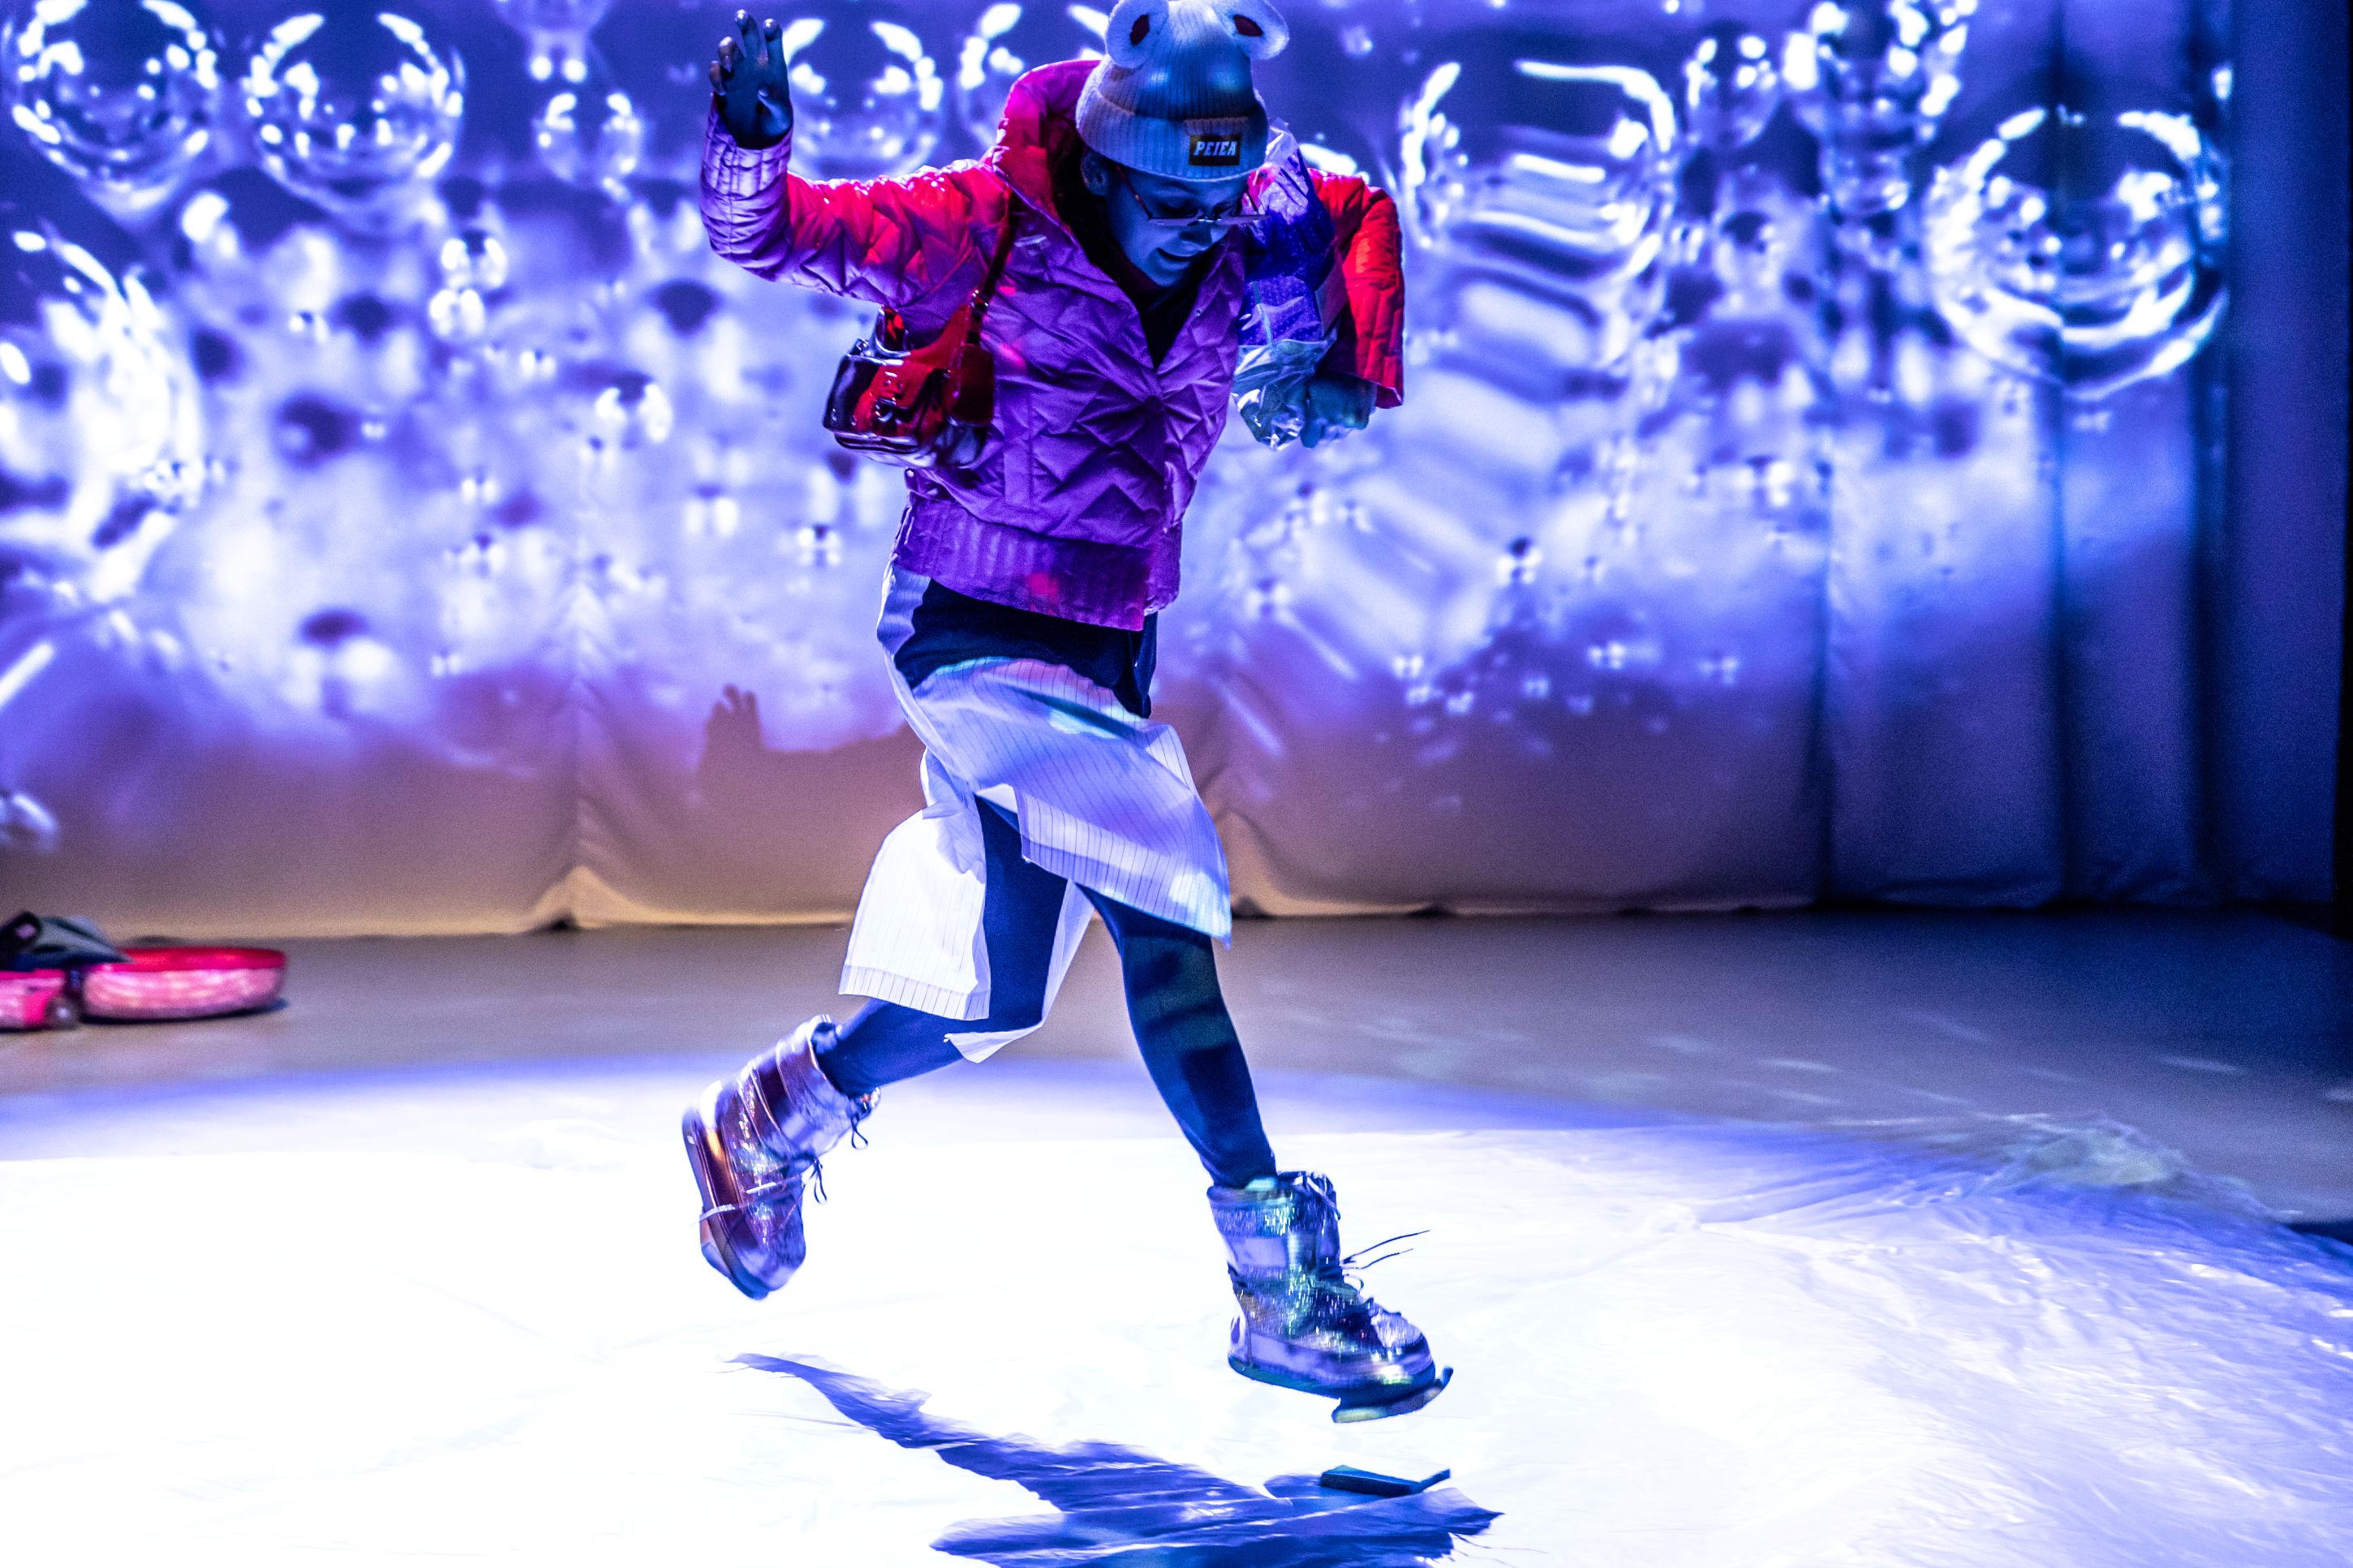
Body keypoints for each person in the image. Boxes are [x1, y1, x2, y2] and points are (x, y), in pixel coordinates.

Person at [682, 0, 1443, 1422]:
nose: (1202, 229)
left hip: (1111, 645)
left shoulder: (1247, 219)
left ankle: (774, 1115)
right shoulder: (979, 224)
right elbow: (770, 233)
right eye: (1172, 200)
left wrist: (1350, 363)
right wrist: (751, 140)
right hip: (977, 631)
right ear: (1101, 162)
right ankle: (1279, 1284)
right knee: (1167, 913)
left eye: (1223, 198)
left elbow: (1352, 211)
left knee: (996, 992)